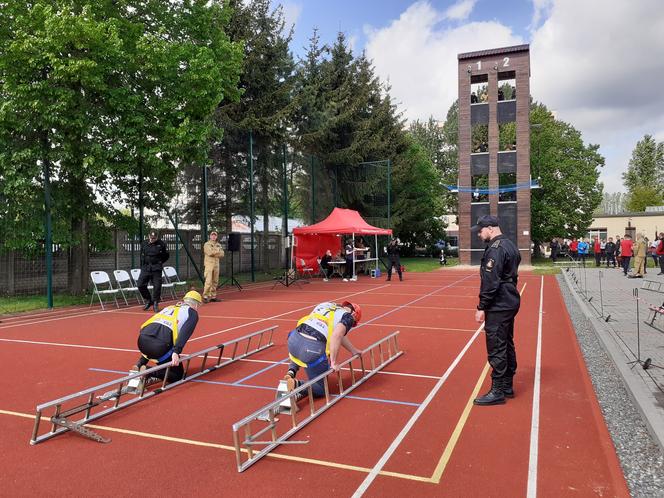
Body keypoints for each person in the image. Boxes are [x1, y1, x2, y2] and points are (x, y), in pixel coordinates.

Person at [471, 215, 521, 406]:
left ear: (490, 229)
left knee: (497, 346)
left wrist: (482, 306)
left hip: (499, 304)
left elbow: (491, 282)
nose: (479, 234)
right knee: (507, 342)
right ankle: (507, 384)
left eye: (480, 230)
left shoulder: (496, 249)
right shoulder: (510, 244)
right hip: (509, 300)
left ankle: (498, 390)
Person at [283, 301, 362, 403]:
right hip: (311, 349)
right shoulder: (348, 317)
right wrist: (333, 362)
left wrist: (353, 350)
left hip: (293, 340)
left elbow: (340, 334)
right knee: (320, 389)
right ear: (354, 314)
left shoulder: (326, 305)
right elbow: (337, 335)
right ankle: (296, 384)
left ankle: (291, 371)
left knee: (302, 346)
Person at [131, 290, 203, 386]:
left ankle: (139, 364)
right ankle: (149, 371)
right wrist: (176, 352)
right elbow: (185, 333)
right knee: (177, 375)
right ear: (196, 304)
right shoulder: (192, 313)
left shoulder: (169, 308)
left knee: (156, 336)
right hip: (159, 347)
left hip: (142, 340)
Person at [138, 230, 169, 312]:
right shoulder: (144, 243)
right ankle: (148, 300)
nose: (152, 239)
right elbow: (141, 255)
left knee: (157, 286)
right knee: (140, 285)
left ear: (157, 237)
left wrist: (159, 262)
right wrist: (142, 266)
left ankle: (155, 303)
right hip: (146, 267)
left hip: (156, 267)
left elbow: (166, 255)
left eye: (154, 238)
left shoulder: (161, 244)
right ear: (148, 236)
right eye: (151, 238)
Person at [203, 230, 224, 303]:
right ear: (210, 236)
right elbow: (209, 253)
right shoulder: (207, 244)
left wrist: (215, 252)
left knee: (215, 281)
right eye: (212, 235)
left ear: (216, 236)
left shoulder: (218, 244)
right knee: (208, 281)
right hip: (209, 265)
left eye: (215, 235)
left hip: (216, 265)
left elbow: (222, 254)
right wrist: (217, 251)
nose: (213, 236)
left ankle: (213, 296)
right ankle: (205, 296)